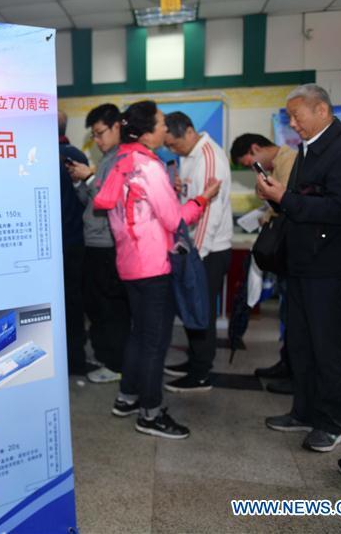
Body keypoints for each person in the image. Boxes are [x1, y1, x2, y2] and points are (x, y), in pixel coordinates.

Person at [94, 101, 220, 439]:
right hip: (153, 266)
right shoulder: (149, 168)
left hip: (129, 263)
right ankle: (150, 414)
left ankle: (128, 397)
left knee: (139, 335)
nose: (166, 128)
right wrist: (203, 198)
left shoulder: (121, 161)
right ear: (148, 132)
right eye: (162, 122)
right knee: (154, 342)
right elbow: (175, 220)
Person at [257, 84, 341, 453]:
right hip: (304, 263)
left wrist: (285, 198)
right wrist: (280, 195)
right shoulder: (310, 148)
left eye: (296, 115)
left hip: (333, 267)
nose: (292, 123)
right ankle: (303, 411)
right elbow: (306, 199)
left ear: (321, 109)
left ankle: (332, 422)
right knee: (302, 345)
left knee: (331, 348)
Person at [161, 112, 233, 392]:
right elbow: (191, 202)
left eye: (174, 144)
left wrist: (196, 255)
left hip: (208, 250)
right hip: (194, 247)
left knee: (201, 310)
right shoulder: (189, 155)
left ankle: (201, 373)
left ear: (189, 132)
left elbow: (210, 212)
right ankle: (194, 362)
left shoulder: (209, 156)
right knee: (192, 307)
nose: (172, 150)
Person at [66, 104, 131, 384]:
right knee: (96, 306)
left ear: (117, 126)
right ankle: (106, 357)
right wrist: (82, 184)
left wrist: (89, 178)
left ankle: (115, 363)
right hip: (94, 243)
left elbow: (111, 200)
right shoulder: (105, 158)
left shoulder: (122, 159)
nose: (99, 140)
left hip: (108, 245)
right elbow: (93, 202)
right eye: (94, 135)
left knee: (110, 309)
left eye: (101, 133)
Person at [230, 133, 299, 395]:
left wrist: (268, 206)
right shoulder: (281, 164)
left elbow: (290, 203)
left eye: (249, 161)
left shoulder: (289, 161)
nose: (251, 167)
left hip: (294, 250)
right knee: (287, 312)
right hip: (284, 252)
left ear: (256, 148)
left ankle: (295, 371)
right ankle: (286, 362)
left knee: (295, 314)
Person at [58, 110, 90, 379]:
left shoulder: (35, 155)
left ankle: (59, 360)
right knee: (74, 303)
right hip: (75, 242)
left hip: (51, 248)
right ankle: (77, 359)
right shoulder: (76, 157)